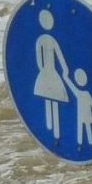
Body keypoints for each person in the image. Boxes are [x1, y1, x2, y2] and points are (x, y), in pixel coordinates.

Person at [33, 10, 69, 140]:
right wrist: (64, 70)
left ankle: (53, 130)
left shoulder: (43, 39)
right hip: (50, 72)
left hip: (47, 72)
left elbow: (57, 56)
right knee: (51, 99)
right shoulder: (45, 40)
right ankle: (53, 131)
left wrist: (44, 70)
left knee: (51, 98)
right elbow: (58, 57)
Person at [64, 68, 92, 146]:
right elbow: (72, 87)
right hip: (81, 114)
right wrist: (66, 78)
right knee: (81, 128)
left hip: (86, 114)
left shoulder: (84, 93)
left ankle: (89, 143)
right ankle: (81, 143)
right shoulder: (80, 93)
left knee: (86, 128)